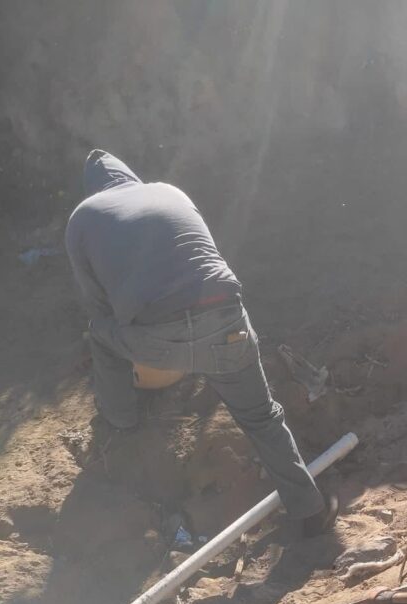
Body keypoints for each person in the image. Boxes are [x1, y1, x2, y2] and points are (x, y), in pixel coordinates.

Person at [65, 149, 335, 536]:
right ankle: (310, 514)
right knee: (262, 418)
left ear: (93, 189)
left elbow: (98, 304)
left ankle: (121, 420)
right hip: (227, 320)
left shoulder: (83, 217)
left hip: (157, 338)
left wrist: (137, 337)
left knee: (100, 333)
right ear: (130, 177)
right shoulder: (168, 191)